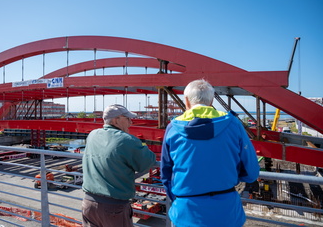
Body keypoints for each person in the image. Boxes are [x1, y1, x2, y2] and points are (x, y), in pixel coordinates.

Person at [161, 79, 260, 227]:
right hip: (226, 212)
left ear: (186, 101)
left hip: (186, 212)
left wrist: (180, 198)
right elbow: (251, 172)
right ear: (212, 100)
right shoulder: (233, 124)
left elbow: (166, 173)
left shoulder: (173, 128)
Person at [82, 104, 156, 227]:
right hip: (114, 207)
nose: (131, 123)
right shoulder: (127, 140)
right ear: (117, 120)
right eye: (128, 119)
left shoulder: (92, 135)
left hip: (89, 203)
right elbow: (146, 162)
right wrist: (143, 146)